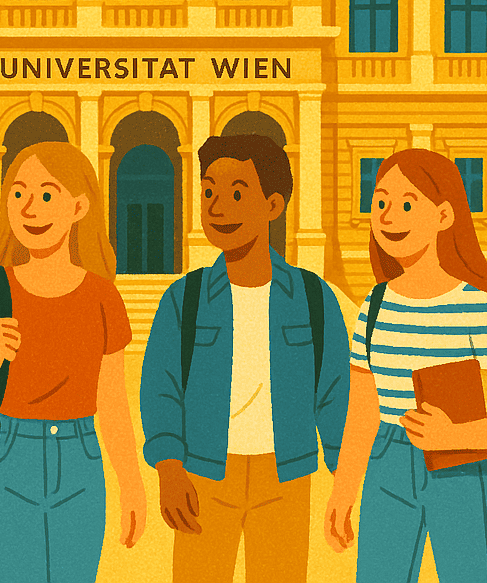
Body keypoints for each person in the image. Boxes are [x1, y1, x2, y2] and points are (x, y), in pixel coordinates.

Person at [140, 134, 350, 583]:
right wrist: (169, 467)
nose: (217, 208)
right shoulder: (184, 298)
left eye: (237, 194)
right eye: (208, 192)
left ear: (273, 205)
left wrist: (347, 480)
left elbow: (334, 394)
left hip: (286, 476)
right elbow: (161, 387)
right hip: (203, 473)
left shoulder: (313, 297)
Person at [0, 141, 146, 582]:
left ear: (79, 207)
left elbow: (112, 404)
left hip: (80, 460)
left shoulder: (103, 297)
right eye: (18, 193)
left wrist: (131, 484)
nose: (29, 208)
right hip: (4, 458)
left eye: (47, 194)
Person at [324, 148, 487, 582]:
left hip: (459, 466)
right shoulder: (374, 306)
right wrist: (343, 491)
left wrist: (452, 436)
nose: (388, 216)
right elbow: (363, 410)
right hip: (386, 463)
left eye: (406, 204)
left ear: (443, 215)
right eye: (380, 202)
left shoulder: (480, 308)